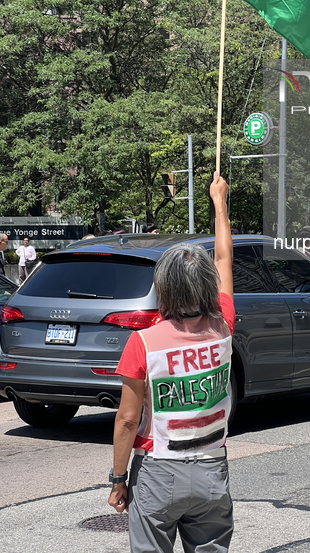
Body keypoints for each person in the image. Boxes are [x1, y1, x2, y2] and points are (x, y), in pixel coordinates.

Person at [108, 172, 235, 553]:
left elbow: (128, 420)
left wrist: (117, 478)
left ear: (163, 287)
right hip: (213, 468)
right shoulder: (223, 326)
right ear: (206, 285)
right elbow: (226, 257)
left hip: (158, 471)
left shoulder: (143, 343)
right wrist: (219, 203)